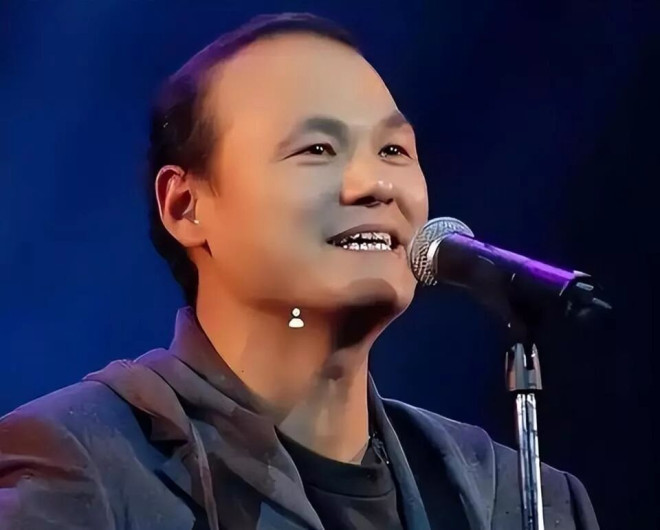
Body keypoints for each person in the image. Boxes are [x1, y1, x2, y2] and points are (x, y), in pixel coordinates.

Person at [0, 12, 599, 530]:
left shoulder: (521, 497)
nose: (375, 184)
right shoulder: (79, 463)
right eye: (316, 149)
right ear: (185, 206)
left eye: (394, 150)